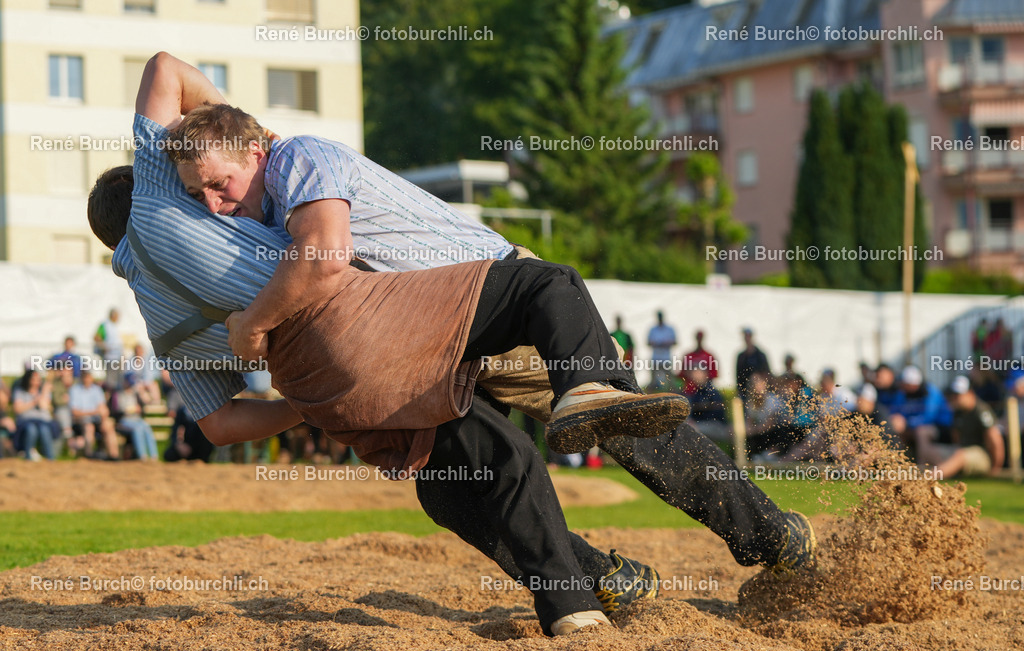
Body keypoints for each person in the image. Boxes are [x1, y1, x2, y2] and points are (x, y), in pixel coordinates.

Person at [93, 52, 816, 617]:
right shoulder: (240, 229)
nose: (214, 209)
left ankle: (768, 535)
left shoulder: (296, 158)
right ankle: (597, 580)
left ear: (251, 148)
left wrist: (259, 331)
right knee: (460, 483)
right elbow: (167, 76)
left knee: (624, 424)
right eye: (200, 198)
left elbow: (320, 262)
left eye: (219, 186)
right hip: (422, 351)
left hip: (488, 298)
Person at [916, 376, 1004, 477]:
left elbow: (995, 441)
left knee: (960, 455)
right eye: (953, 395)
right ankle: (940, 471)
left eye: (958, 395)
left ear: (970, 393)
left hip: (982, 455)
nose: (954, 398)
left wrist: (996, 468)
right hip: (962, 451)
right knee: (930, 451)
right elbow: (956, 436)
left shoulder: (981, 411)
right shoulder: (957, 411)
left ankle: (928, 479)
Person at [69, 370, 120, 459]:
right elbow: (75, 412)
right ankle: (90, 456)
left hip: (97, 419)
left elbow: (103, 408)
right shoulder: (75, 390)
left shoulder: (97, 390)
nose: (87, 379)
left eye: (88, 377)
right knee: (89, 427)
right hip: (81, 421)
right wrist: (93, 412)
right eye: (85, 377)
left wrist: (104, 420)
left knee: (108, 426)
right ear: (82, 378)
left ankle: (114, 456)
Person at [12, 369, 56, 461]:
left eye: (38, 379)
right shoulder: (20, 391)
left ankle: (50, 458)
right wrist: (33, 402)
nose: (37, 381)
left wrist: (45, 391)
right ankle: (28, 455)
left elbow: (44, 406)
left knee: (44, 429)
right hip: (26, 421)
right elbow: (18, 409)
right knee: (31, 429)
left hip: (43, 421)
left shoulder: (43, 391)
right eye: (34, 379)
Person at [112, 377, 159, 461]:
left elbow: (143, 408)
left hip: (136, 418)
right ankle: (142, 456)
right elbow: (114, 411)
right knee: (138, 429)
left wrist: (139, 408)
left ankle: (154, 457)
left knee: (146, 427)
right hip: (124, 419)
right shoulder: (117, 394)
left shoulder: (135, 394)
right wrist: (125, 411)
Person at [736, 327, 770, 405]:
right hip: (746, 393)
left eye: (748, 336)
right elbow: (738, 376)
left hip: (759, 392)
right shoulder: (741, 356)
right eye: (745, 336)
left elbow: (767, 373)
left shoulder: (760, 355)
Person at [94, 309, 125, 389]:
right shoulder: (105, 325)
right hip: (110, 357)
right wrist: (104, 347)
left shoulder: (114, 326)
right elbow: (97, 337)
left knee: (119, 378)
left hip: (118, 356)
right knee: (111, 380)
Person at [647, 311, 677, 390]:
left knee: (670, 380)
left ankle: (672, 392)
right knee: (653, 380)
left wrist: (665, 343)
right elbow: (648, 342)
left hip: (665, 358)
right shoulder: (653, 329)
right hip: (656, 358)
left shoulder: (669, 329)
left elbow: (675, 342)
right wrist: (656, 343)